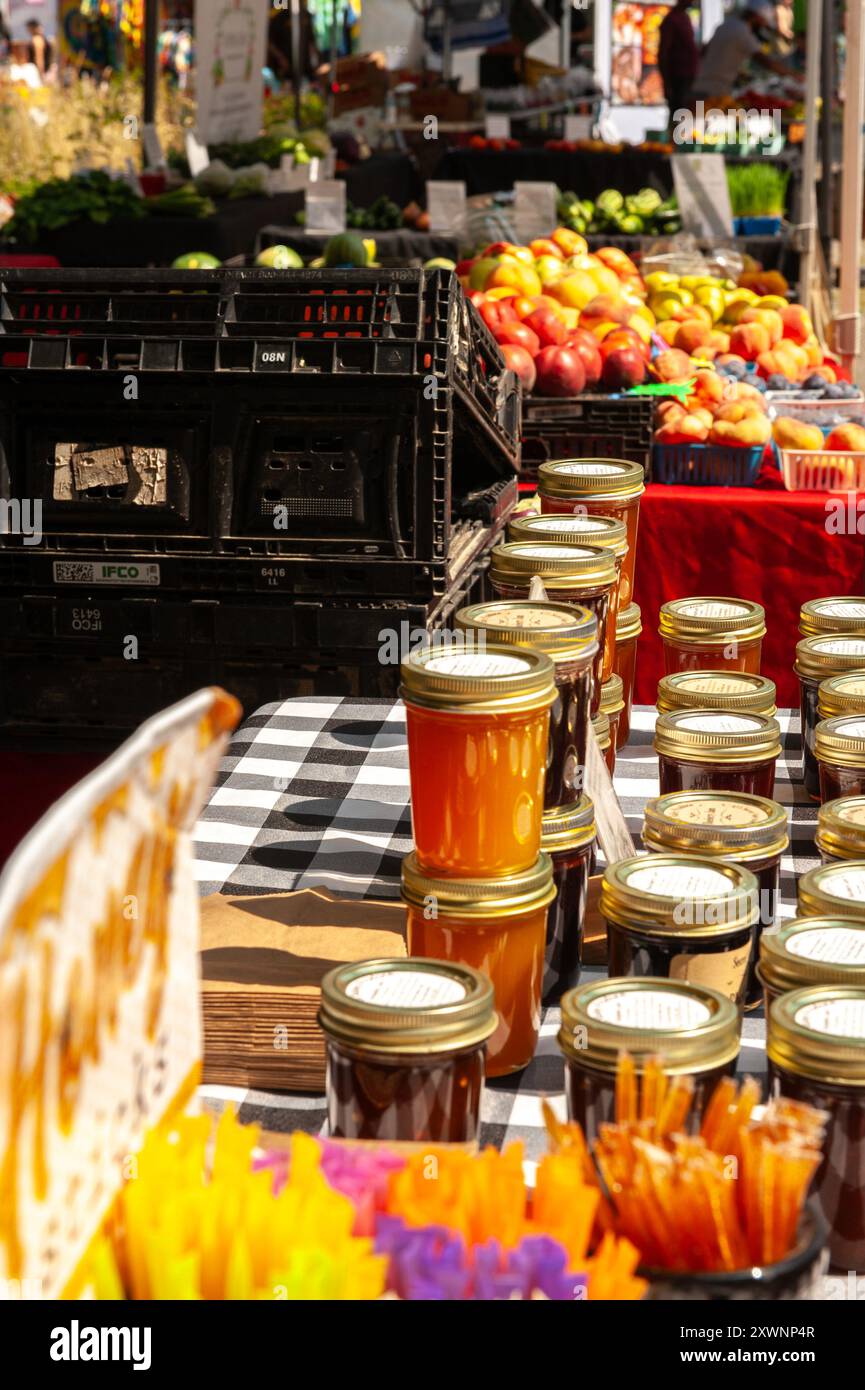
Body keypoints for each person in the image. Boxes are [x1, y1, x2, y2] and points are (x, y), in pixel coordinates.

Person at [692, 0, 796, 103]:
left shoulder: (725, 24)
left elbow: (705, 51)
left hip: (699, 84)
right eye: (762, 23)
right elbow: (765, 61)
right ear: (756, 17)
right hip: (714, 90)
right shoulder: (742, 31)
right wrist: (792, 74)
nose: (762, 27)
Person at [658, 0, 700, 123]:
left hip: (688, 77)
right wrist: (667, 83)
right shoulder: (671, 20)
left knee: (687, 117)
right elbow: (663, 53)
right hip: (678, 78)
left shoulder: (684, 17)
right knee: (679, 118)